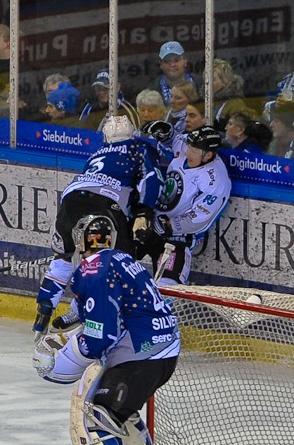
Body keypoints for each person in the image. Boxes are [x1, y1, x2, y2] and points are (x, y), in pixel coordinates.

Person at [32, 214, 179, 445]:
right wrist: (64, 324)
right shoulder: (121, 259)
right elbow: (94, 307)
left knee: (100, 414)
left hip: (140, 355)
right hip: (163, 350)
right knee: (120, 411)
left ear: (79, 238)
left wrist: (68, 355)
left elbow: (101, 337)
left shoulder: (93, 270)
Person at [33, 115, 162, 336]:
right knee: (117, 265)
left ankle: (45, 309)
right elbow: (153, 178)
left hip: (72, 199)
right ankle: (101, 318)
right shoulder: (139, 148)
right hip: (106, 204)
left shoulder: (97, 154)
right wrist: (144, 212)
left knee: (64, 257)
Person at [133, 125, 231, 287]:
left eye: (193, 150)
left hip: (175, 238)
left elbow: (199, 219)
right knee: (113, 260)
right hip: (149, 221)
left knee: (168, 286)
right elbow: (175, 141)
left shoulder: (216, 181)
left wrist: (167, 226)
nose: (187, 152)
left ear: (208, 155)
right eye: (189, 147)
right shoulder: (190, 147)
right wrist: (167, 134)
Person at [151, 40, 195, 106]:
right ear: (161, 64)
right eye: (167, 61)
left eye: (176, 60)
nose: (172, 64)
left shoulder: (201, 83)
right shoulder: (152, 89)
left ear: (185, 61)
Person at [210, 58, 250, 131]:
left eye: (213, 79)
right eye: (206, 79)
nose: (208, 83)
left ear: (224, 81)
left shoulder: (236, 105)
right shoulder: (210, 103)